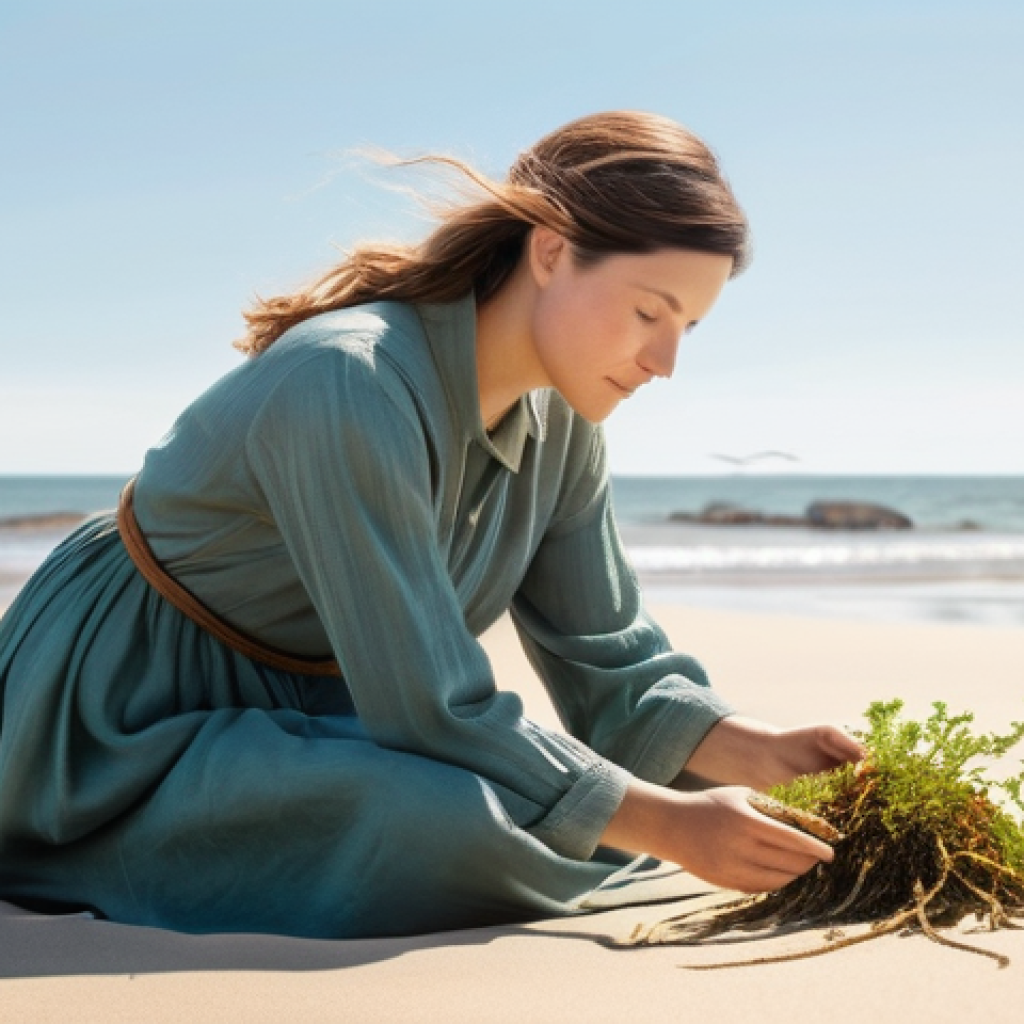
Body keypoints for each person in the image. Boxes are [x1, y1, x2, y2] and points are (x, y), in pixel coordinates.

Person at [0, 111, 863, 939]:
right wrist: (675, 826)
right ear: (553, 250)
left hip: (335, 703)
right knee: (449, 824)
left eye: (690, 326)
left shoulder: (564, 428)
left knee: (549, 817)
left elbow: (609, 659)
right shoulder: (350, 379)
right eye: (649, 311)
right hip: (125, 703)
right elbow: (432, 705)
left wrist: (761, 750)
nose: (667, 362)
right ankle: (71, 843)